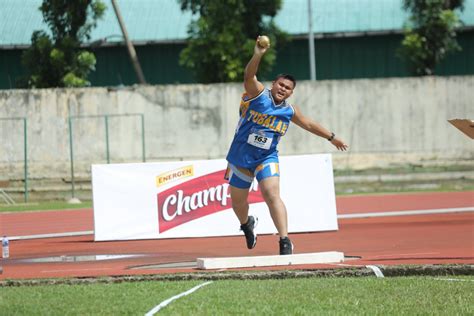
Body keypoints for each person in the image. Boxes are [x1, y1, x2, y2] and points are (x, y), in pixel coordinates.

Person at [225, 36, 348, 255]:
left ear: (291, 93)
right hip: (241, 158)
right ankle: (247, 224)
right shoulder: (258, 95)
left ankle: (284, 240)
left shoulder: (289, 111)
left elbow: (309, 124)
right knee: (238, 205)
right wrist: (258, 54)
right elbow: (249, 75)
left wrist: (332, 137)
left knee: (271, 194)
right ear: (274, 84)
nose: (283, 89)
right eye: (281, 84)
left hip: (266, 158)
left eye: (288, 88)